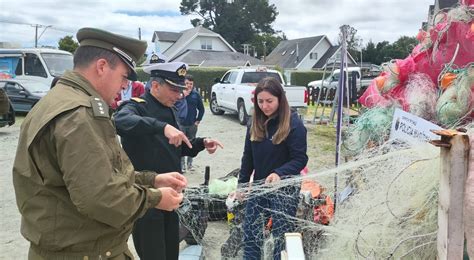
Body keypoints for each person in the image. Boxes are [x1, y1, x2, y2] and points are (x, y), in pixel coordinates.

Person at [12, 27, 188, 260]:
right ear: (102, 67)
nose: (124, 86)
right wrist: (155, 197)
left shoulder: (58, 101)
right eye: (124, 77)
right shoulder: (79, 114)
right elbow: (101, 196)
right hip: (85, 251)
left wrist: (152, 179)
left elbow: (94, 176)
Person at [114, 58, 224, 260]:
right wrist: (162, 127)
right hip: (147, 198)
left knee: (171, 252)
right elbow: (120, 121)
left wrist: (200, 143)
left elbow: (175, 147)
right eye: (174, 90)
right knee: (154, 255)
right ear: (155, 85)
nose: (180, 95)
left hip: (172, 197)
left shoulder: (170, 109)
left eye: (181, 90)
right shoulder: (136, 107)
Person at [238, 77, 308, 260]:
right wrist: (242, 185)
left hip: (285, 189)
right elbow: (248, 157)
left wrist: (279, 173)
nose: (265, 106)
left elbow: (300, 159)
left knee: (280, 233)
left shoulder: (294, 124)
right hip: (261, 186)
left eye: (269, 101)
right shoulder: (254, 123)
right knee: (250, 228)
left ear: (280, 99)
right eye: (260, 101)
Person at [180, 74, 205, 172]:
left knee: (192, 144)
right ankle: (182, 166)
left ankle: (190, 164)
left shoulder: (196, 95)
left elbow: (201, 109)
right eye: (186, 83)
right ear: (183, 83)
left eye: (190, 84)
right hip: (181, 125)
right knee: (181, 144)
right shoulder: (179, 94)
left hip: (192, 125)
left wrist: (198, 120)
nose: (188, 85)